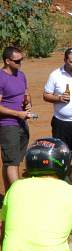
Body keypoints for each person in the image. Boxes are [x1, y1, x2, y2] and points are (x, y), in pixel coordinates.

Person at [0, 47, 32, 192]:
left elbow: (25, 93)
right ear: (7, 61)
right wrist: (17, 114)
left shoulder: (21, 75)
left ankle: (9, 195)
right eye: (18, 61)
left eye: (22, 60)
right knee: (11, 162)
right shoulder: (1, 78)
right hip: (7, 125)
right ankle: (17, 196)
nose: (21, 63)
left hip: (22, 123)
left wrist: (27, 103)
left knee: (13, 161)